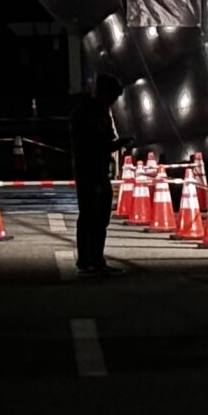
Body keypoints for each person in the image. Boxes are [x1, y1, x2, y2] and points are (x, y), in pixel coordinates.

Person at [68, 73, 124, 276]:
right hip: (88, 170)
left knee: (101, 218)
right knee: (89, 216)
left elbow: (107, 140)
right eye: (112, 97)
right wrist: (116, 144)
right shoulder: (84, 113)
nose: (113, 102)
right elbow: (95, 143)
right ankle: (86, 261)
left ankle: (96, 259)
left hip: (100, 170)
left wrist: (116, 143)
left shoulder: (101, 113)